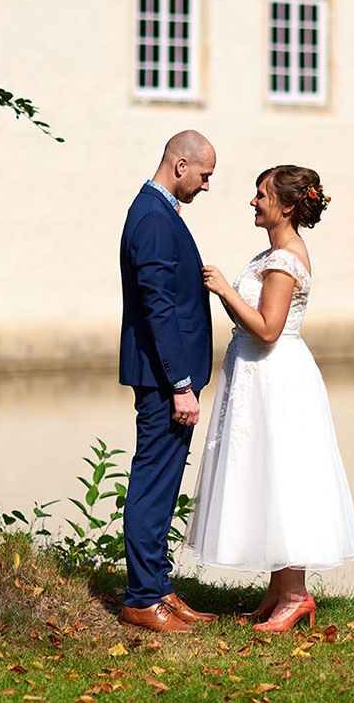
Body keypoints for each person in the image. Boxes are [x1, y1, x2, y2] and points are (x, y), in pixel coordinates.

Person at [189, 164, 354, 633]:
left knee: (284, 474)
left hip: (276, 376)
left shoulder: (285, 260)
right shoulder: (273, 253)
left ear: (287, 206)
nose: (253, 201)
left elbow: (268, 329)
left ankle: (295, 596)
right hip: (257, 376)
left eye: (262, 194)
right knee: (267, 472)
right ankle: (277, 591)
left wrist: (225, 288)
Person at [117, 129, 219, 633]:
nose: (205, 187)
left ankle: (158, 586)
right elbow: (158, 306)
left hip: (168, 378)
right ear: (180, 165)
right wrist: (181, 382)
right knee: (154, 483)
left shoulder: (158, 212)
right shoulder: (154, 218)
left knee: (164, 478)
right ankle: (140, 598)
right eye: (204, 176)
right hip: (163, 380)